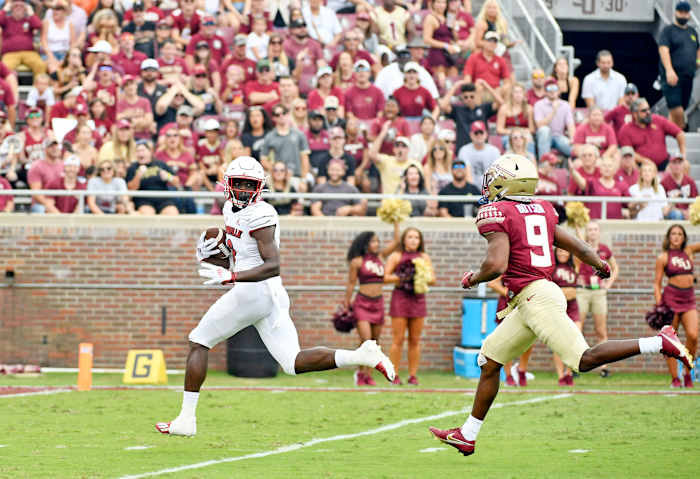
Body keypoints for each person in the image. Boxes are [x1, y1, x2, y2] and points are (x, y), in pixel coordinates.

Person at [428, 153, 694, 456]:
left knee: (583, 359)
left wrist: (473, 278)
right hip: (534, 296)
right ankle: (467, 434)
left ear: (504, 182)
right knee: (489, 360)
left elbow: (496, 264)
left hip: (535, 296)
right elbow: (577, 245)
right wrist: (599, 263)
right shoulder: (542, 209)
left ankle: (658, 342)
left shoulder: (498, 212)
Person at [155, 156, 396, 436]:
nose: (244, 190)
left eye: (250, 184)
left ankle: (186, 419)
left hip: (255, 291)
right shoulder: (229, 209)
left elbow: (272, 265)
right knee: (292, 362)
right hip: (268, 294)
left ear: (260, 188)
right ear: (228, 185)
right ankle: (361, 355)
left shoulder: (262, 214)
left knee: (199, 341)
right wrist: (217, 255)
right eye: (239, 184)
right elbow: (240, 254)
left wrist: (232, 276)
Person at [345, 222, 401, 386]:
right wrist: (346, 302)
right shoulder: (357, 261)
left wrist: (396, 222)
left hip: (378, 304)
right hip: (362, 303)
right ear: (365, 244)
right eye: (373, 241)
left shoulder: (381, 257)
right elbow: (350, 283)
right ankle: (363, 374)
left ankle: (365, 373)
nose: (376, 244)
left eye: (377, 241)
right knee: (366, 341)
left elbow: (397, 241)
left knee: (374, 342)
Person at [384, 227, 435, 385]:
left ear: (420, 241)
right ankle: (394, 374)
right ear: (404, 240)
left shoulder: (424, 256)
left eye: (416, 238)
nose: (413, 240)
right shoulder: (396, 256)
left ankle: (413, 375)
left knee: (415, 340)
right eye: (410, 237)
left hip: (418, 299)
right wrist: (402, 277)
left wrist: (420, 275)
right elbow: (385, 277)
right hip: (400, 298)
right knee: (397, 339)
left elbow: (432, 279)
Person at [654, 224, 699, 388]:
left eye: (680, 234)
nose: (676, 236)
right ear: (668, 237)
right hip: (670, 300)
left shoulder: (689, 251)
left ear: (684, 237)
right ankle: (675, 378)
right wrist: (659, 304)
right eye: (673, 233)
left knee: (693, 336)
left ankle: (688, 373)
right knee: (670, 341)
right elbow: (657, 283)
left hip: (688, 299)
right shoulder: (663, 257)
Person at [576, 221, 618, 378]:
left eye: (595, 229)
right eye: (589, 230)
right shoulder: (582, 246)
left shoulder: (604, 249)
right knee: (577, 328)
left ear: (599, 232)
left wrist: (608, 285)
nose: (592, 232)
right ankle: (576, 364)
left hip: (599, 292)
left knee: (601, 330)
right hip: (582, 291)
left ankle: (604, 366)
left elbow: (615, 268)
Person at [658, 1, 699, 130]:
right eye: (681, 12)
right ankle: (682, 129)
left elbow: (698, 49)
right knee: (676, 107)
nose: (683, 15)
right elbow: (664, 50)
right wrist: (669, 70)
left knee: (682, 106)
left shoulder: (692, 31)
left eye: (686, 13)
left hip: (688, 76)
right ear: (676, 12)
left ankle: (671, 135)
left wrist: (697, 62)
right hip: (672, 76)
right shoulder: (668, 31)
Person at [618, 98, 685, 171]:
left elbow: (679, 133)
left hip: (664, 163)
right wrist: (644, 161)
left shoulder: (658, 120)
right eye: (644, 110)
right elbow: (628, 152)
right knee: (631, 164)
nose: (648, 112)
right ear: (635, 114)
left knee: (685, 165)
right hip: (641, 165)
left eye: (648, 109)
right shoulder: (626, 129)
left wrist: (683, 154)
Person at [260, 104, 311, 191]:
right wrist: (277, 171)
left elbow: (304, 158)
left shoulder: (299, 134)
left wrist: (303, 179)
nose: (281, 116)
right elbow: (263, 160)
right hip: (277, 180)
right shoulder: (269, 136)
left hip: (296, 177)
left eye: (283, 113)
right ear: (273, 118)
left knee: (297, 204)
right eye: (277, 115)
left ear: (288, 114)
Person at [551, 247, 581, 386]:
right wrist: (564, 291)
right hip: (557, 307)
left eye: (565, 251)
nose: (562, 253)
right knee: (558, 343)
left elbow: (582, 249)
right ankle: (560, 376)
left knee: (574, 340)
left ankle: (569, 373)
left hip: (573, 307)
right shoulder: (552, 266)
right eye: (560, 251)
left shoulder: (575, 264)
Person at [439, 81, 498, 151]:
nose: (469, 99)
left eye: (472, 96)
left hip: (482, 149)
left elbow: (501, 103)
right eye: (466, 97)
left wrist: (487, 86)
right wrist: (454, 87)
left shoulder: (484, 108)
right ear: (462, 98)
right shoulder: (457, 110)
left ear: (476, 96)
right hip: (463, 149)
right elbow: (442, 106)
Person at [125, 140, 180, 215]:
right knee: (148, 214)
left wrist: (168, 177)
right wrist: (138, 176)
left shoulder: (160, 164)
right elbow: (131, 189)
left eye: (143, 150)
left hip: (163, 198)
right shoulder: (133, 167)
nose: (140, 153)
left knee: (172, 212)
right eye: (137, 151)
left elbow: (177, 182)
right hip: (144, 199)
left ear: (150, 152)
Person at [569, 153, 629, 220]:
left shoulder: (622, 185)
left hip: (615, 223)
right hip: (595, 224)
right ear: (600, 169)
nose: (607, 168)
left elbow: (629, 204)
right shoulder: (593, 183)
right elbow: (582, 183)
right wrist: (573, 171)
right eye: (604, 166)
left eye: (610, 166)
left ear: (615, 170)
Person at [369, 129, 422, 194]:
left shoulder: (415, 164)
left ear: (408, 149)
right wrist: (382, 134)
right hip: (388, 202)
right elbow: (371, 154)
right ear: (393, 149)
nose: (400, 149)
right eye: (397, 146)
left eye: (403, 146)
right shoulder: (387, 161)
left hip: (409, 202)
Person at [0, 0, 45, 76]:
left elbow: (38, 25)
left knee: (40, 65)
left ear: (25, 9)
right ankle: (8, 87)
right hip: (10, 54)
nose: (18, 9)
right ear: (11, 9)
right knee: (4, 68)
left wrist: (31, 13)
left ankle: (39, 87)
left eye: (21, 7)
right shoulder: (6, 20)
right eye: (16, 6)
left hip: (29, 53)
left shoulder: (29, 20)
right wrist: (4, 9)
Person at [534, 78, 574, 159]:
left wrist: (572, 138)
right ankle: (544, 163)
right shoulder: (538, 105)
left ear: (559, 91)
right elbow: (539, 125)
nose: (552, 91)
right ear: (545, 92)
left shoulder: (565, 105)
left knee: (573, 149)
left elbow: (570, 124)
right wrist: (554, 111)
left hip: (559, 136)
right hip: (543, 137)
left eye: (555, 88)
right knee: (544, 130)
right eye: (549, 89)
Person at [457, 121, 500, 189]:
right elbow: (465, 173)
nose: (479, 135)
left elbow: (496, 174)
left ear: (486, 134)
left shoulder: (494, 151)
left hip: (490, 190)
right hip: (470, 190)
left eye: (481, 132)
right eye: (476, 133)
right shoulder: (464, 150)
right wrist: (472, 191)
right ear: (471, 135)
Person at [496, 83, 534, 153]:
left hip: (524, 133)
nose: (518, 94)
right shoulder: (504, 108)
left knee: (529, 140)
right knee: (511, 142)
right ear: (511, 94)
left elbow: (532, 129)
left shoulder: (529, 109)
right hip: (508, 134)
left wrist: (520, 132)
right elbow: (499, 129)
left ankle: (530, 161)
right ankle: (511, 162)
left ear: (524, 94)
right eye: (516, 92)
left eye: (520, 92)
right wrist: (514, 132)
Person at [661, 150, 698, 220]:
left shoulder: (690, 181)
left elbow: (695, 201)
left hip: (688, 212)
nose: (677, 165)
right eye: (674, 162)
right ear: (670, 165)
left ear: (683, 164)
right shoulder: (664, 182)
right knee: (676, 215)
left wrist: (689, 211)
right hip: (672, 211)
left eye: (679, 162)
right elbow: (663, 206)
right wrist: (681, 211)